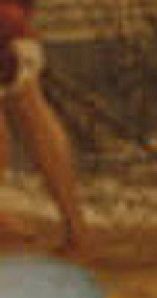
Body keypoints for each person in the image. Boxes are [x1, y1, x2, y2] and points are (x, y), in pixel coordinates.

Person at [0, 0, 89, 253]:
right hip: (14, 26)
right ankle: (75, 227)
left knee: (31, 112)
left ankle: (75, 228)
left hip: (8, 26)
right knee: (30, 110)